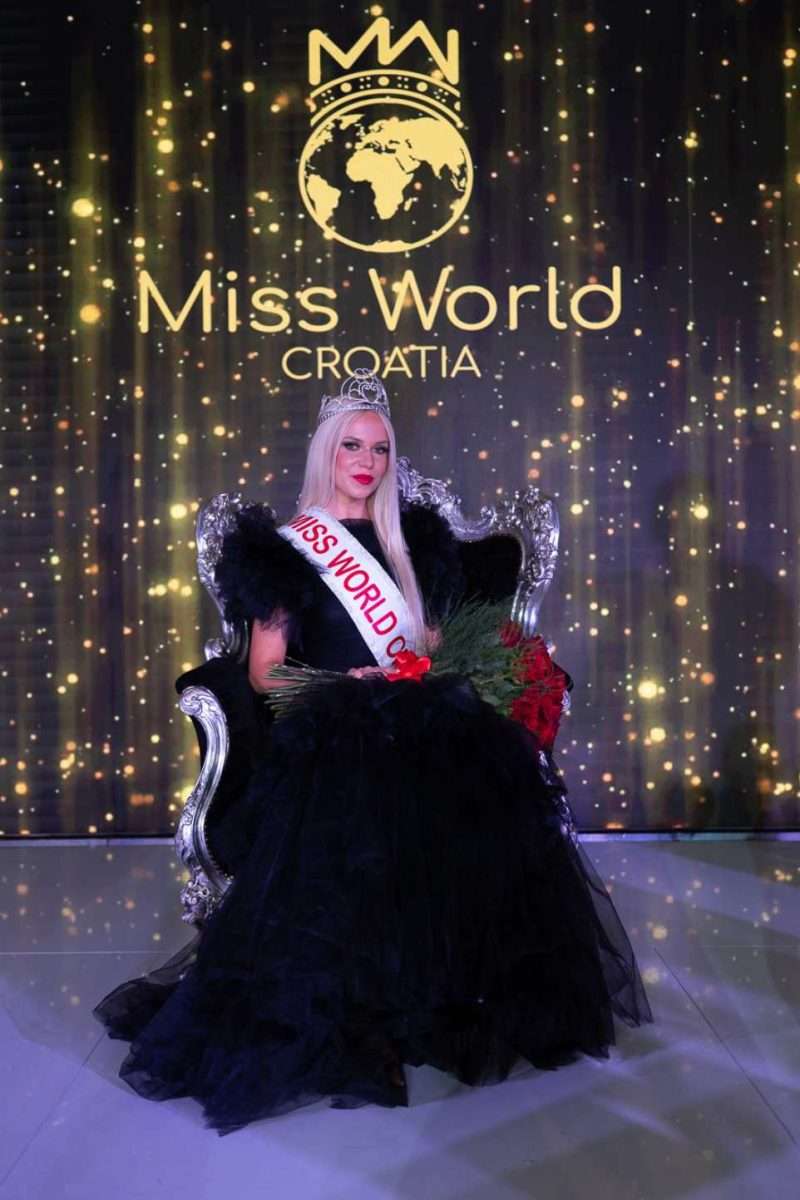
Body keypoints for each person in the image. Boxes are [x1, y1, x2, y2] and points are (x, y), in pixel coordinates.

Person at [93, 370, 653, 1136]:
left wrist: (433, 661)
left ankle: (441, 1000)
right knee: (362, 803)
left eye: (380, 449)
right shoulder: (287, 552)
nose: (366, 461)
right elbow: (265, 672)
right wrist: (343, 684)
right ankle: (362, 1023)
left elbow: (427, 640)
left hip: (415, 710)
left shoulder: (411, 540)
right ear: (327, 451)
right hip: (332, 717)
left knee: (479, 787)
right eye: (352, 446)